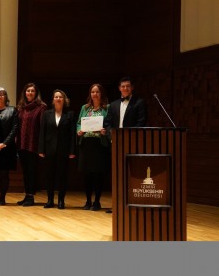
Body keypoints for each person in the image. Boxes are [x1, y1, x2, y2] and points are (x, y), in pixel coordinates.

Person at [104, 76, 147, 213]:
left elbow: (141, 122)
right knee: (117, 175)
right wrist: (112, 136)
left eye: (128, 86)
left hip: (132, 144)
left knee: (130, 174)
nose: (125, 88)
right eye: (123, 86)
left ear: (132, 88)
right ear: (119, 88)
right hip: (116, 144)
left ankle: (130, 204)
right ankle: (116, 205)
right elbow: (108, 123)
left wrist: (131, 138)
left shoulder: (139, 103)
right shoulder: (114, 104)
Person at [38, 89, 76, 209]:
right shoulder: (47, 114)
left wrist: (72, 151)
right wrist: (41, 149)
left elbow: (72, 134)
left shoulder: (70, 114)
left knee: (62, 176)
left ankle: (61, 201)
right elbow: (42, 133)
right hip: (49, 150)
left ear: (64, 100)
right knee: (49, 176)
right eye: (56, 97)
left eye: (60, 97)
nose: (58, 99)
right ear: (53, 100)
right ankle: (50, 200)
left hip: (63, 150)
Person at [77, 83, 110, 211]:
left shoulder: (106, 108)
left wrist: (105, 131)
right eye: (92, 92)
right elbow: (79, 123)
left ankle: (97, 201)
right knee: (87, 174)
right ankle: (88, 201)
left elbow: (109, 124)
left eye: (97, 92)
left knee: (98, 174)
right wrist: (79, 131)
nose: (95, 94)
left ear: (101, 94)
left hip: (99, 145)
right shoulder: (85, 108)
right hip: (86, 144)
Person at [16, 82, 47, 207]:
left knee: (32, 171)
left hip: (33, 144)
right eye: (28, 91)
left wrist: (41, 146)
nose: (30, 93)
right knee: (25, 171)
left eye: (32, 91)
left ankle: (31, 196)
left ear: (36, 93)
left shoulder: (41, 107)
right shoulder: (21, 107)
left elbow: (42, 127)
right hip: (22, 144)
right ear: (25, 93)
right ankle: (27, 195)